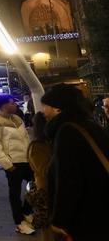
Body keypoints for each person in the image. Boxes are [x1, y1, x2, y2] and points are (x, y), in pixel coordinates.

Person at [41, 84, 109, 240]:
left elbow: (68, 181)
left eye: (46, 106)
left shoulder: (67, 131)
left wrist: (59, 220)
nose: (43, 111)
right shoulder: (90, 125)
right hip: (101, 210)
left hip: (86, 216)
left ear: (58, 108)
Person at [0, 95, 34, 235]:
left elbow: (26, 139)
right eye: (12, 103)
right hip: (12, 163)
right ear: (4, 105)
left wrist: (31, 156)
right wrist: (7, 165)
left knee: (36, 184)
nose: (15, 105)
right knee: (15, 193)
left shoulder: (17, 119)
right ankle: (19, 222)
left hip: (26, 160)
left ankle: (26, 211)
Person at [26, 112, 52, 241]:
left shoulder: (49, 142)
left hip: (53, 193)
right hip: (46, 194)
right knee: (49, 231)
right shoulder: (37, 146)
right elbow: (45, 170)